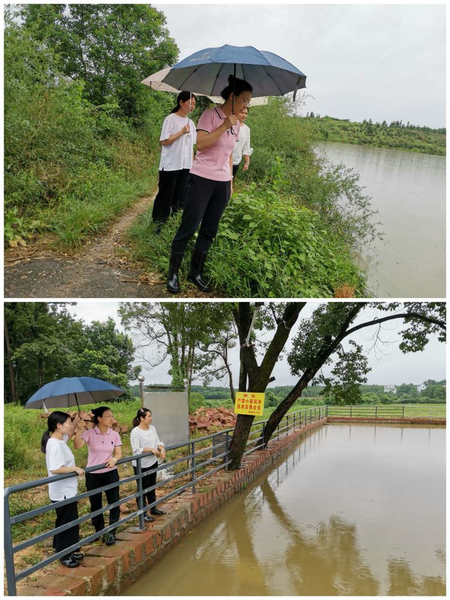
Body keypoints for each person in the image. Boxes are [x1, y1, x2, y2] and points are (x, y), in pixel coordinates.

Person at [167, 74, 253, 294]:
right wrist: (224, 125)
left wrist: (230, 182)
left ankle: (195, 273)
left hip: (222, 183)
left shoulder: (237, 124)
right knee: (189, 225)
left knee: (209, 231)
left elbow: (229, 152)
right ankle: (173, 274)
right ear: (232, 97)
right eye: (244, 100)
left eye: (248, 102)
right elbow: (202, 145)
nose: (246, 105)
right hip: (202, 179)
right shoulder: (210, 116)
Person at [42, 411, 85, 568]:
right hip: (62, 492)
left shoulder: (60, 440)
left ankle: (71, 548)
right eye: (67, 422)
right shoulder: (54, 444)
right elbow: (55, 469)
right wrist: (75, 468)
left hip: (67, 490)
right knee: (65, 522)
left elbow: (71, 433)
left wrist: (77, 421)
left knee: (70, 520)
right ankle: (64, 554)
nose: (70, 425)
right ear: (58, 426)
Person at [73, 406, 122, 546]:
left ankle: (112, 532)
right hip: (93, 474)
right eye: (108, 416)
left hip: (110, 473)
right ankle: (99, 531)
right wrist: (80, 429)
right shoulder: (89, 433)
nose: (111, 419)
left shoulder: (114, 434)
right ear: (99, 418)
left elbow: (118, 453)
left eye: (112, 416)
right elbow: (77, 445)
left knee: (114, 502)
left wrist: (114, 459)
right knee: (96, 505)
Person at [152, 91, 197, 229]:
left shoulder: (191, 123)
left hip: (185, 166)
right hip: (171, 165)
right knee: (166, 196)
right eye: (190, 103)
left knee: (181, 197)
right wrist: (181, 132)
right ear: (181, 102)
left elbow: (191, 146)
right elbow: (164, 141)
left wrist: (193, 164)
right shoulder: (170, 119)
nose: (192, 106)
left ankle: (175, 223)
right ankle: (159, 224)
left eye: (194, 104)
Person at [130, 408, 166, 522]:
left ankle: (153, 508)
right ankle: (143, 513)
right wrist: (151, 449)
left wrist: (161, 448)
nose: (151, 418)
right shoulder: (135, 432)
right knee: (142, 489)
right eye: (149, 416)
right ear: (142, 418)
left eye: (151, 415)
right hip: (141, 465)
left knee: (151, 486)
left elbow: (158, 442)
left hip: (152, 462)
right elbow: (136, 449)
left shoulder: (153, 428)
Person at [232, 105, 252, 177]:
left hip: (235, 161)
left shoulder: (247, 129)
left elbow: (246, 147)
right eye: (242, 112)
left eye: (246, 113)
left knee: (230, 183)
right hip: (224, 160)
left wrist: (247, 162)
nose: (244, 115)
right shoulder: (229, 125)